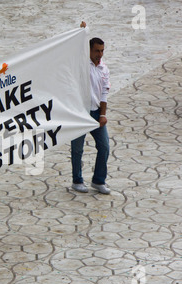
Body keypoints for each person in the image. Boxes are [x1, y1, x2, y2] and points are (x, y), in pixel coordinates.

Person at [71, 21, 111, 194]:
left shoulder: (103, 68)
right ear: (89, 50)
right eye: (97, 50)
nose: (100, 54)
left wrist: (102, 115)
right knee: (77, 149)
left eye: (102, 51)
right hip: (80, 113)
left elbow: (104, 94)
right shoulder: (80, 65)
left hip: (95, 113)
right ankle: (77, 180)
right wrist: (81, 33)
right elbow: (73, 51)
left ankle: (98, 180)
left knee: (104, 146)